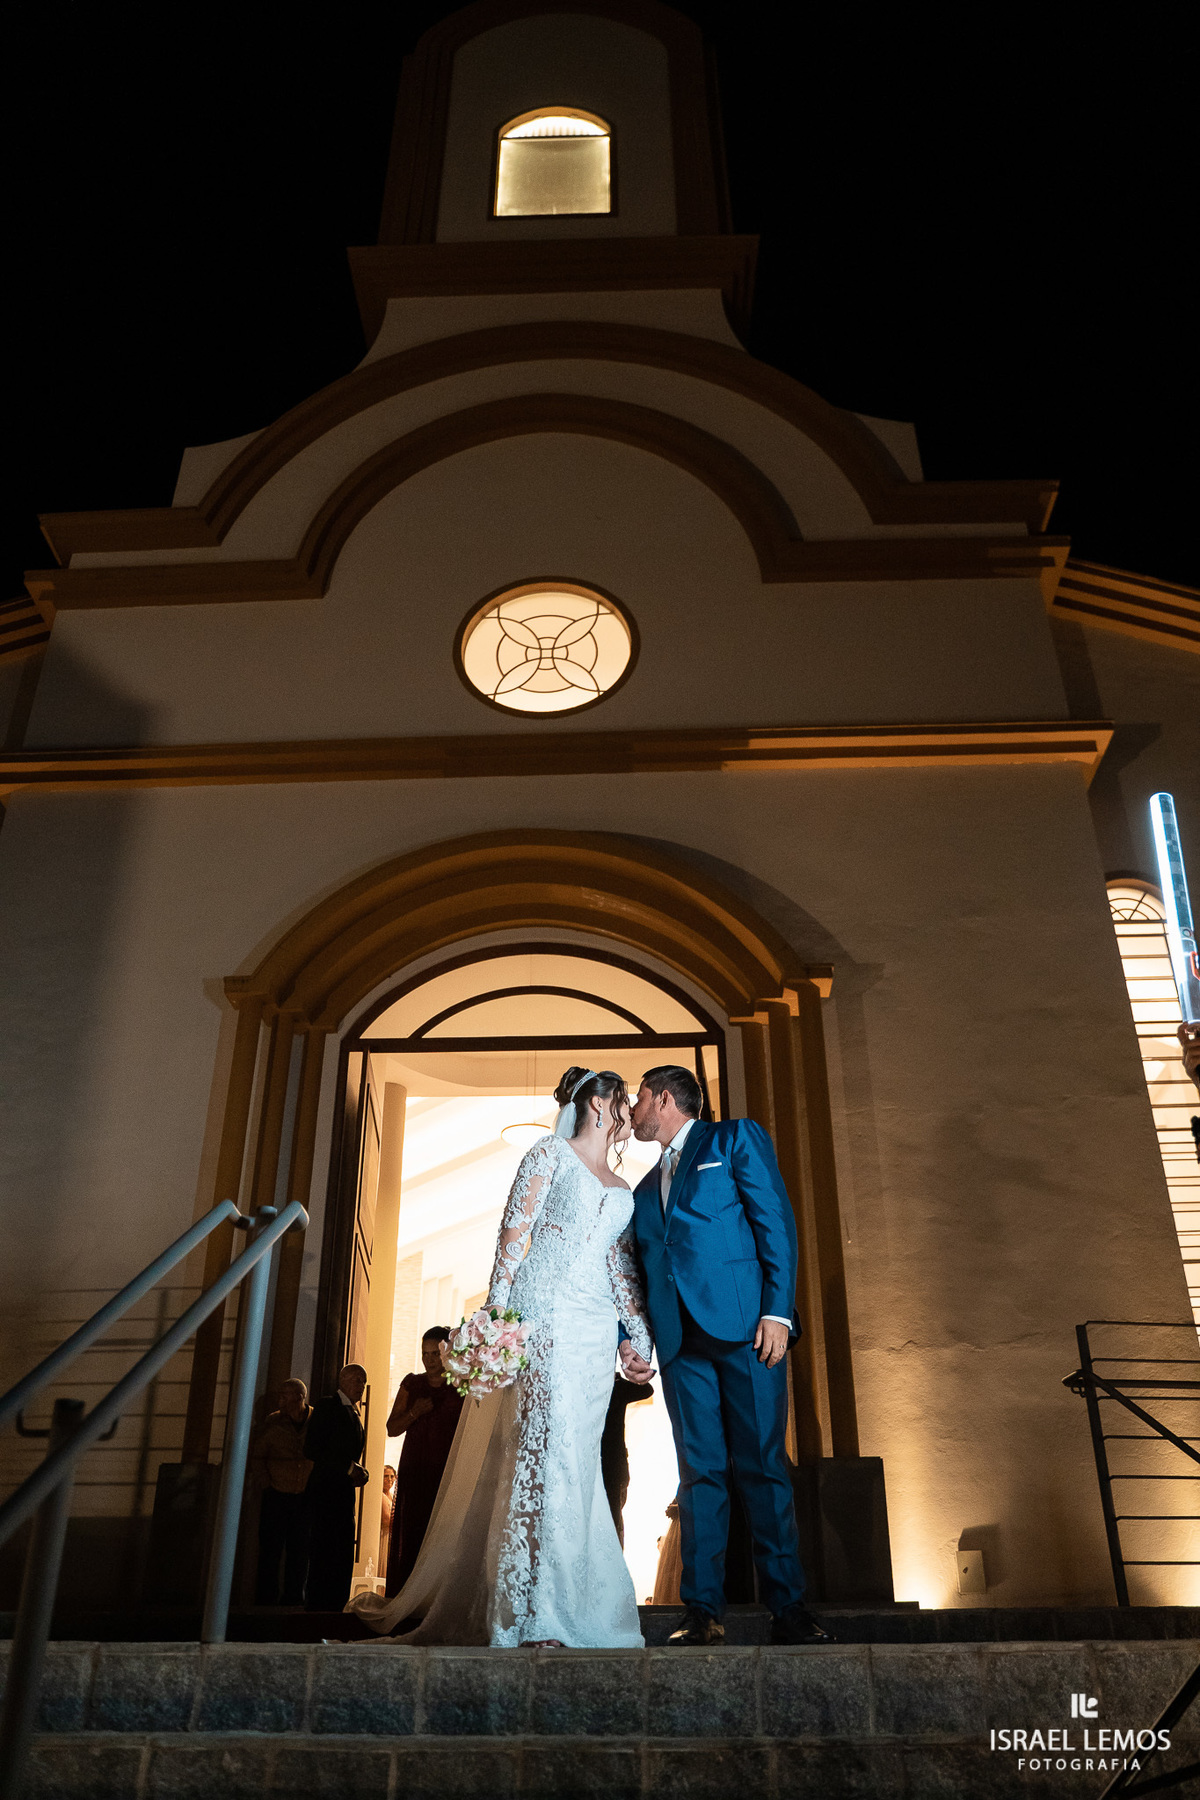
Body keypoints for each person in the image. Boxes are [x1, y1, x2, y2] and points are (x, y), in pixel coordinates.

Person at [347, 1067, 654, 1647]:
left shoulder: (620, 1183)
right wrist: (497, 1321)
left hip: (592, 1331)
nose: (628, 1111)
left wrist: (637, 1338)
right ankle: (529, 1611)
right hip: (543, 1316)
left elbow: (621, 1269)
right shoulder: (548, 1154)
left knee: (578, 1460)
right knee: (542, 1453)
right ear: (596, 1103)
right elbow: (514, 1237)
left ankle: (576, 1606)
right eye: (621, 1101)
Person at [625, 1064, 830, 1646]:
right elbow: (636, 1274)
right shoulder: (641, 1191)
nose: (634, 1111)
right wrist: (635, 1340)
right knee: (699, 1475)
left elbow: (775, 1225)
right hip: (681, 1345)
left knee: (764, 1467)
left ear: (664, 1098)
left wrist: (778, 1312)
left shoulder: (734, 1139)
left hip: (748, 1331)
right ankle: (702, 1612)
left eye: (640, 1099)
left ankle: (788, 1609)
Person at [384, 1327, 464, 1595]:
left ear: (446, 1353)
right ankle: (407, 1595)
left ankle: (438, 1597)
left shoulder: (461, 1385)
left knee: (444, 1535)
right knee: (414, 1533)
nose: (429, 1360)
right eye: (425, 1353)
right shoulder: (412, 1384)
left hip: (447, 1473)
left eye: (435, 1353)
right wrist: (415, 1412)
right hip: (415, 1470)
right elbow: (392, 1428)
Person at [303, 1362, 369, 1611]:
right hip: (325, 1494)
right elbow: (312, 1448)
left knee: (341, 1551)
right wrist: (348, 1467)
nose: (360, 1385)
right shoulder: (328, 1406)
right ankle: (319, 1609)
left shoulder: (353, 1413)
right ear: (341, 1381)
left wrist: (358, 1471)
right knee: (324, 1552)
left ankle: (336, 1607)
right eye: (355, 1379)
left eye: (363, 1381)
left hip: (342, 1495)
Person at [252, 1377, 312, 1605]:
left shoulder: (315, 1420)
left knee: (300, 1552)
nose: (280, 1400)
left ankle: (294, 1601)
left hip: (304, 1497)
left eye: (285, 1396)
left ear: (299, 1397)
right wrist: (266, 1481)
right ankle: (265, 1602)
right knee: (270, 1551)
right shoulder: (272, 1422)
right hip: (276, 1495)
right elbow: (257, 1455)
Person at [600, 1373, 653, 1546]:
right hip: (609, 1465)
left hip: (613, 1467)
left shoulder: (616, 1387)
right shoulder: (615, 1386)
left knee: (613, 1524)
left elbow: (646, 1390)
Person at [379, 1465, 396, 1577]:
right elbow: (386, 1520)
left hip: (391, 1535)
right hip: (384, 1534)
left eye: (392, 1476)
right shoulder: (380, 1495)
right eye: (386, 1476)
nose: (389, 1479)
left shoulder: (391, 1495)